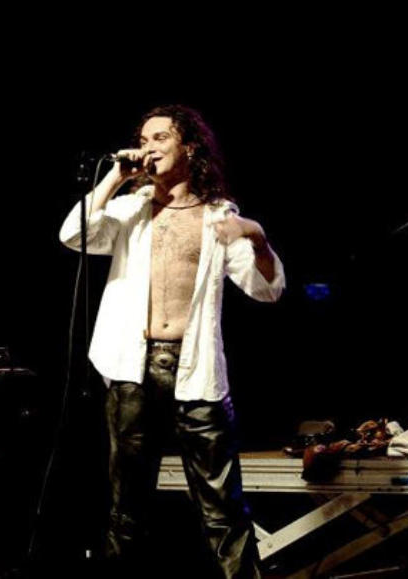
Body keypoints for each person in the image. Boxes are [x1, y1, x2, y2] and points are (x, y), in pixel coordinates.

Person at [60, 105, 285, 577]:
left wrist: (257, 237)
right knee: (125, 508)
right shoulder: (131, 210)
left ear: (190, 147)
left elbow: (267, 289)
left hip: (195, 369)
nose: (148, 147)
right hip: (131, 368)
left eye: (160, 137)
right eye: (144, 139)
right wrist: (116, 178)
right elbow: (73, 235)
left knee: (222, 508)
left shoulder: (218, 216)